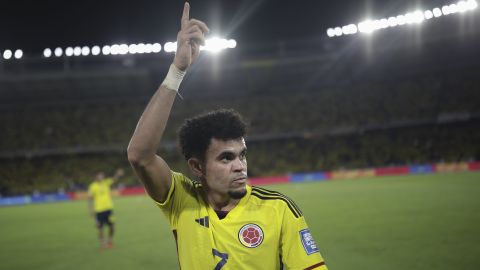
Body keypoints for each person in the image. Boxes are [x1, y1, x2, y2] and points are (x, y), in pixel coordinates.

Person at [127, 2, 328, 269]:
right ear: (197, 167)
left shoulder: (278, 209)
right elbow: (139, 156)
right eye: (225, 158)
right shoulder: (182, 200)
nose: (239, 166)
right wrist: (177, 71)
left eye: (241, 155)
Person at [87, 168, 124, 249]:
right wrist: (90, 209)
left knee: (112, 226)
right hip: (99, 210)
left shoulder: (106, 182)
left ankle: (110, 241)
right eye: (100, 175)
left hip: (108, 209)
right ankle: (103, 244)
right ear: (96, 177)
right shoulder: (92, 186)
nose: (101, 176)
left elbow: (114, 179)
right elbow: (89, 198)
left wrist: (118, 174)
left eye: (102, 175)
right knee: (100, 228)